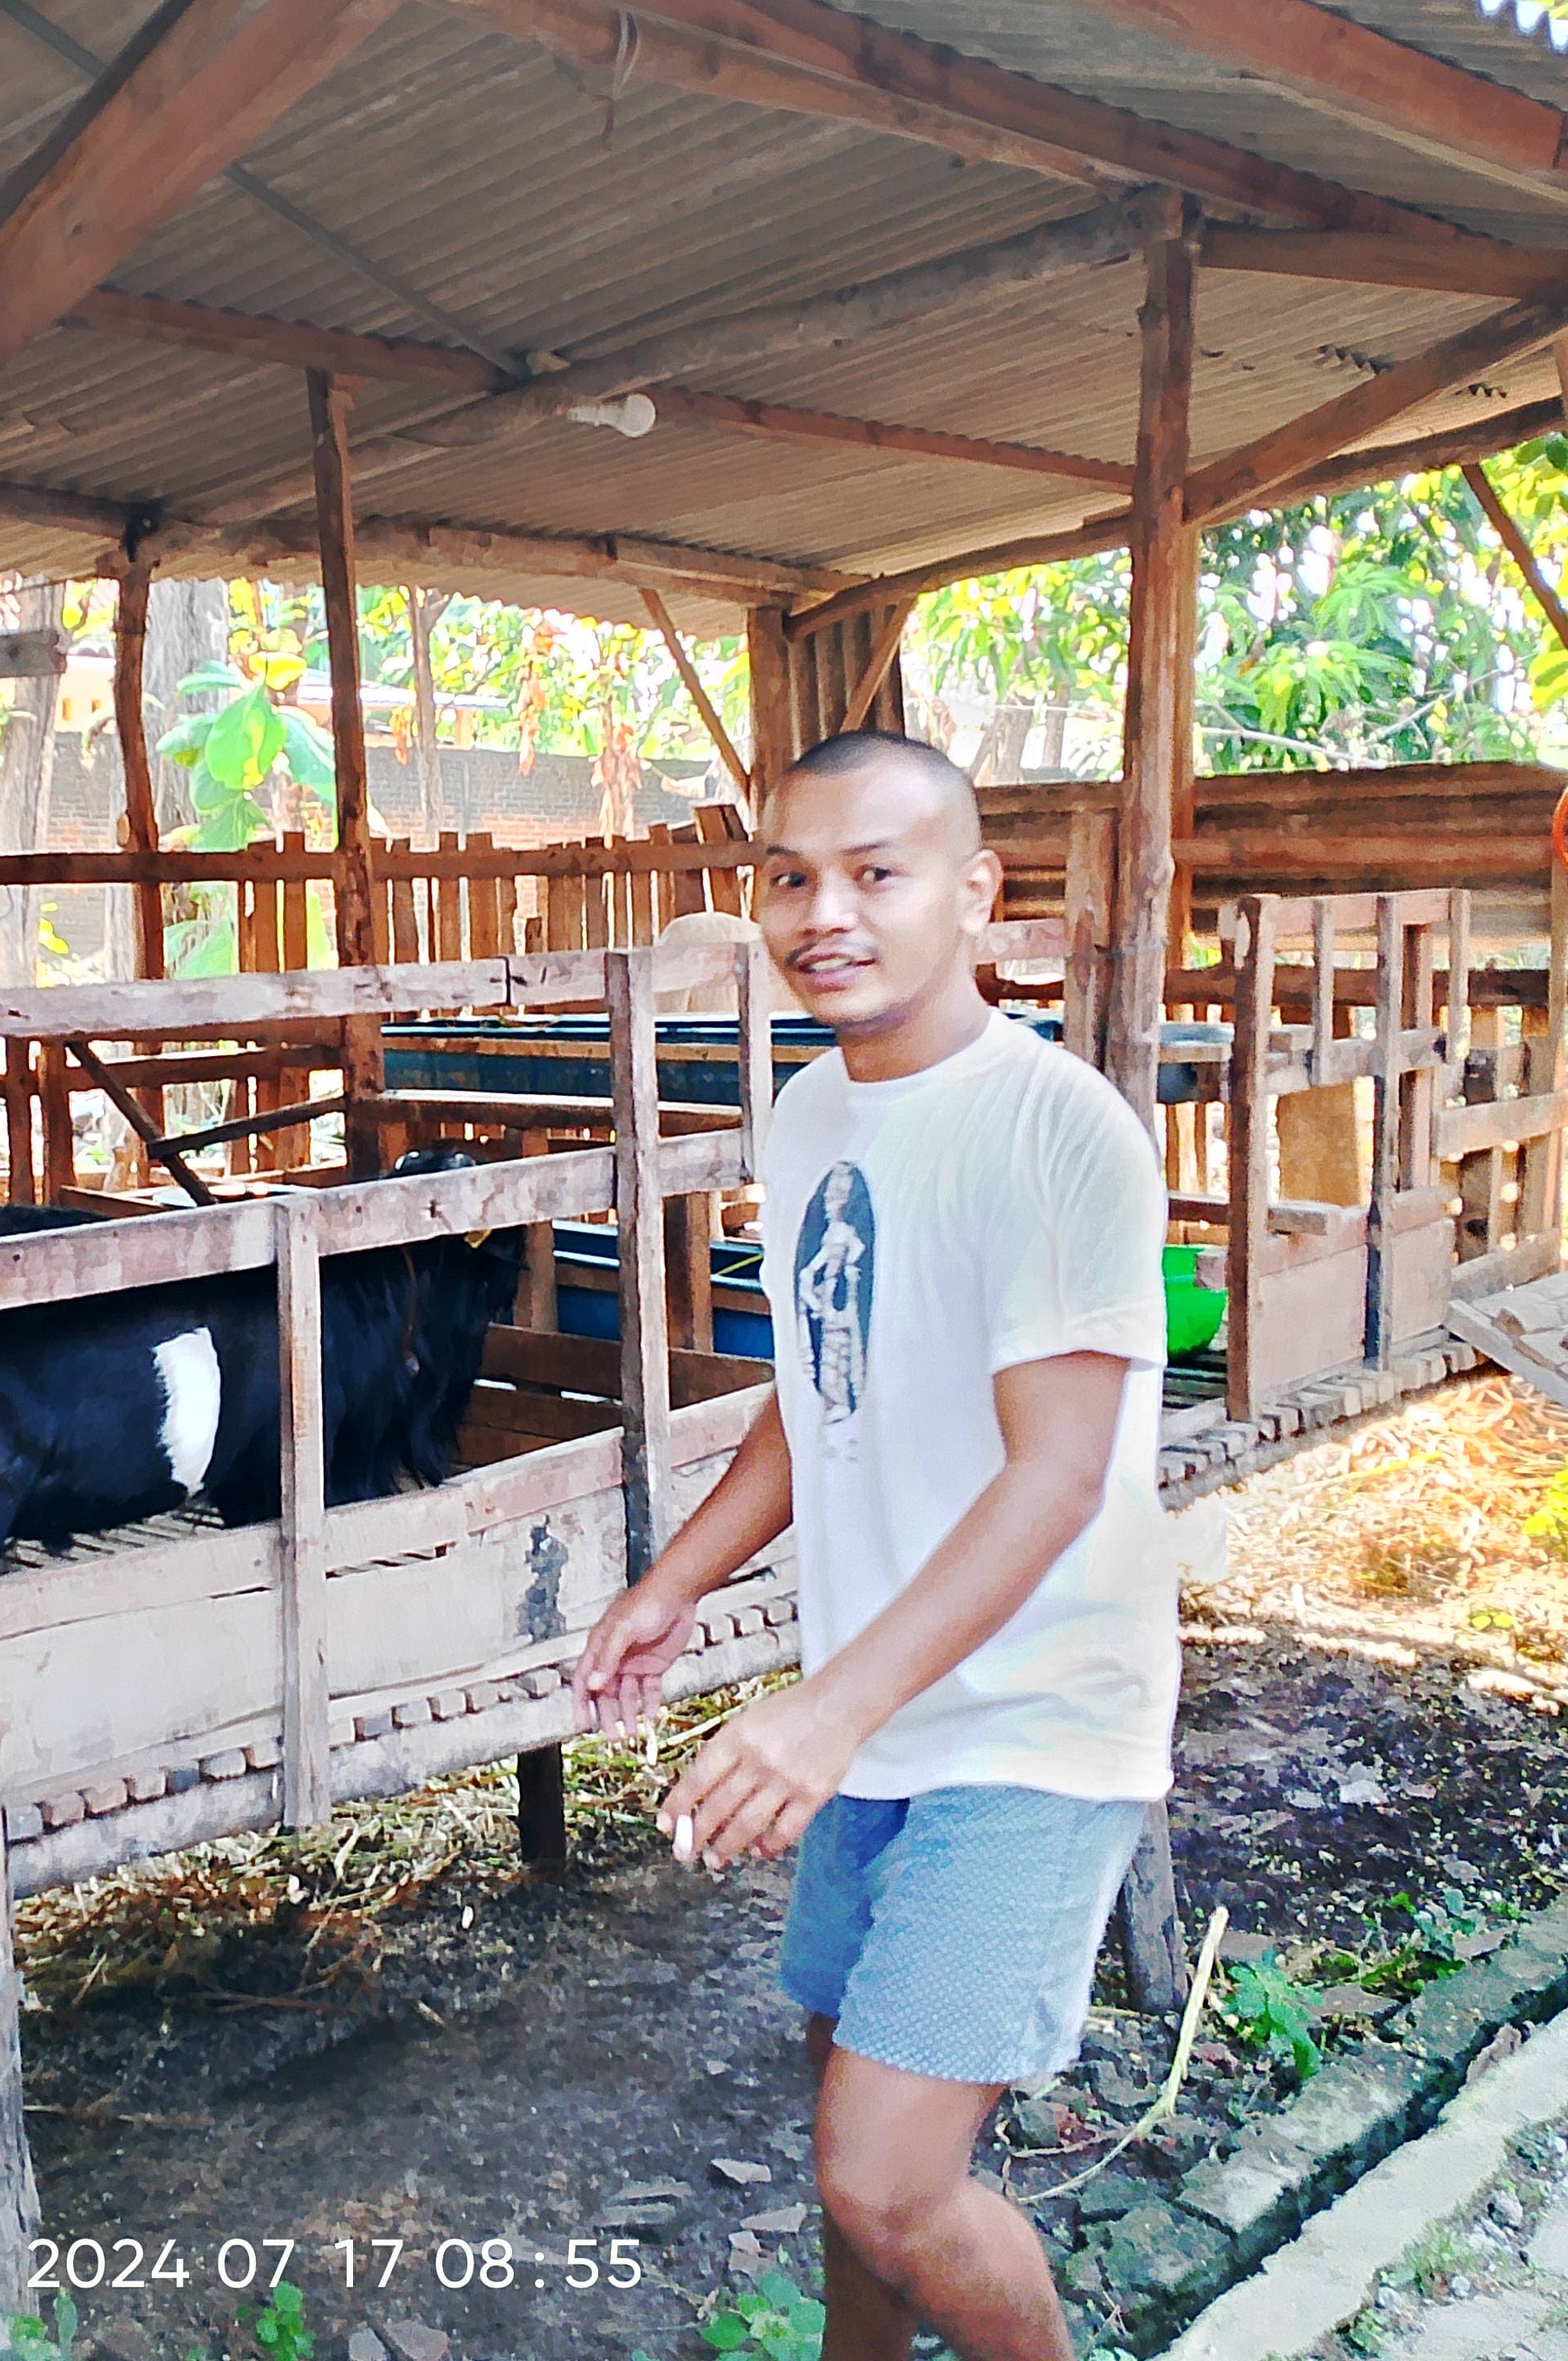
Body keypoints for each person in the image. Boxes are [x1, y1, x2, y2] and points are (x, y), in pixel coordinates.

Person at [575, 728, 1174, 2361]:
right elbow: (821, 1389)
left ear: (975, 894)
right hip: (877, 1717)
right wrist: (679, 1581)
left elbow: (1055, 1481)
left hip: (1029, 1726)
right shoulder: (817, 1111)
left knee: (888, 2180)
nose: (824, 912)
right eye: (790, 876)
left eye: (876, 873)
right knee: (856, 2143)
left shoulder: (1058, 1135)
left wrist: (826, 1709)